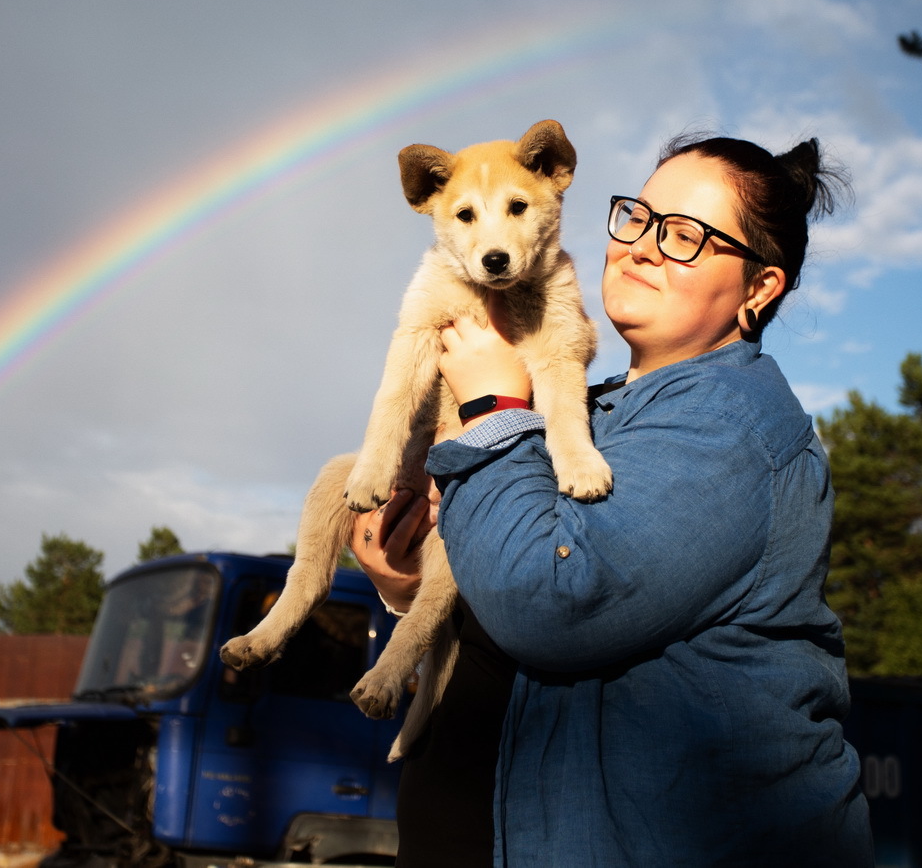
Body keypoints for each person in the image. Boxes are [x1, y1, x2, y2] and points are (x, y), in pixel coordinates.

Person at [354, 132, 873, 866]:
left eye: (687, 236)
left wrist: (494, 403)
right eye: (638, 216)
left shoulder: (731, 425)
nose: (644, 246)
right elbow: (514, 583)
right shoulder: (599, 410)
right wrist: (410, 585)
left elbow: (556, 601)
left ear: (759, 289)